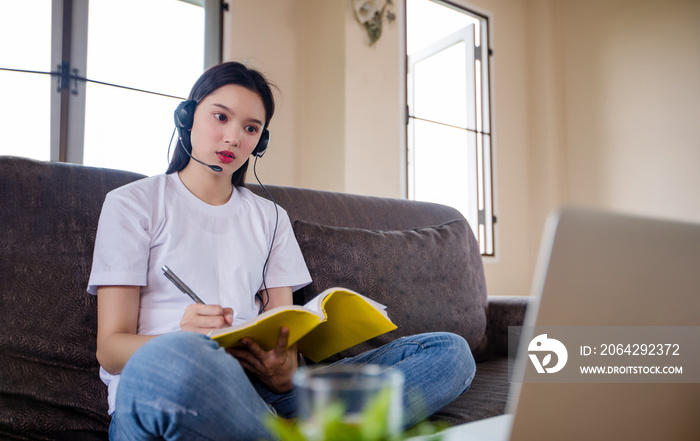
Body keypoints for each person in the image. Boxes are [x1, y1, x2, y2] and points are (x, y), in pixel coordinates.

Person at [88, 61, 476, 441]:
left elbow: (282, 327)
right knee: (179, 360)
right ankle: (306, 432)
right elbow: (110, 349)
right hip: (166, 389)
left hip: (264, 394)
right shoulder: (132, 204)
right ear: (187, 116)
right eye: (220, 117)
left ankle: (280, 429)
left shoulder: (271, 218)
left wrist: (283, 369)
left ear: (261, 142)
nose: (233, 138)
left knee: (449, 353)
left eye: (250, 128)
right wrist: (182, 343)